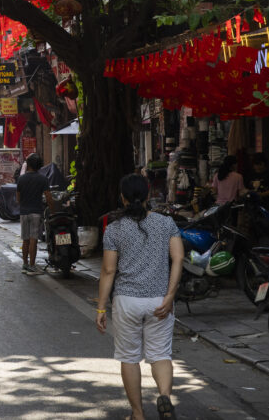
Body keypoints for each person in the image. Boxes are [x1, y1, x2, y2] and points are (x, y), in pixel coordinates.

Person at [96, 174, 184, 420]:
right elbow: (178, 258)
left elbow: (108, 270)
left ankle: (138, 414)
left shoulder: (114, 229)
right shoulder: (166, 223)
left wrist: (101, 308)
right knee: (160, 355)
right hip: (159, 301)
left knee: (129, 358)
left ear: (122, 198)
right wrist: (170, 295)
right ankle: (164, 396)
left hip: (127, 302)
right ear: (148, 196)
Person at [16, 153, 52, 275]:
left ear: (28, 164)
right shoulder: (43, 179)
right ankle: (32, 265)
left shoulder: (21, 179)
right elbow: (48, 196)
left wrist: (24, 205)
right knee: (33, 240)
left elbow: (18, 198)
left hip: (24, 212)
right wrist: (53, 209)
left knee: (25, 240)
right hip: (36, 212)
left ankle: (25, 264)